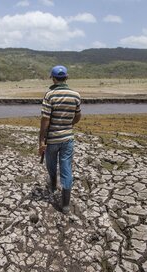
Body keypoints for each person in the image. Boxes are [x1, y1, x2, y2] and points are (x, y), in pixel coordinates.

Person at [38, 65, 81, 214]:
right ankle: (65, 205)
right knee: (66, 169)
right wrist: (68, 125)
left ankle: (52, 186)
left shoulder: (49, 95)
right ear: (67, 78)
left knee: (51, 164)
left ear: (53, 78)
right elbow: (77, 117)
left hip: (52, 139)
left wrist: (41, 141)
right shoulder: (76, 95)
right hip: (67, 138)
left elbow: (45, 120)